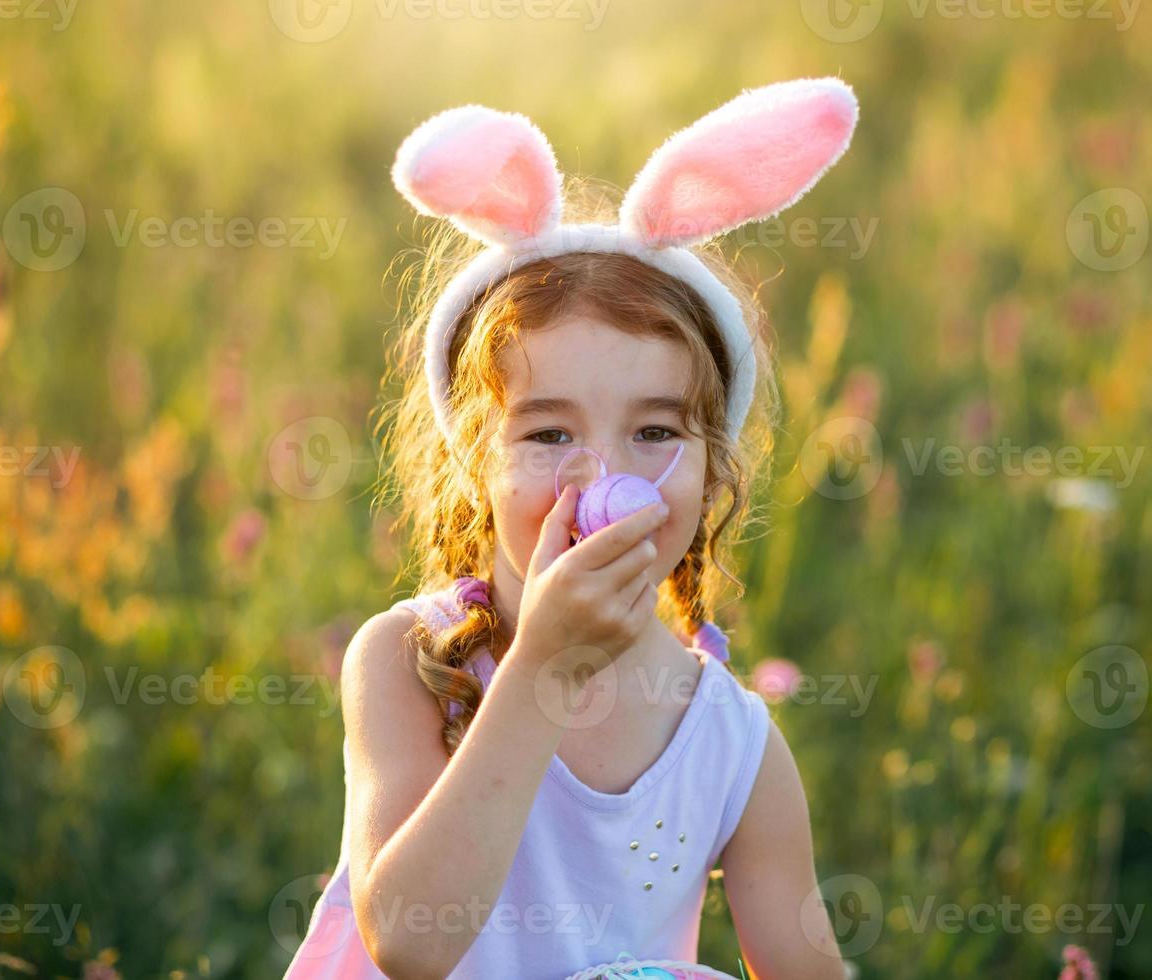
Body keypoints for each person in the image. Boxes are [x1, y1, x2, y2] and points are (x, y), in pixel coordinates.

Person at [284, 77, 861, 979]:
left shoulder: (730, 742)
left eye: (656, 432)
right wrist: (543, 669)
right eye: (550, 433)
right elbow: (409, 941)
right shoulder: (407, 663)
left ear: (712, 467)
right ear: (477, 459)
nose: (603, 482)